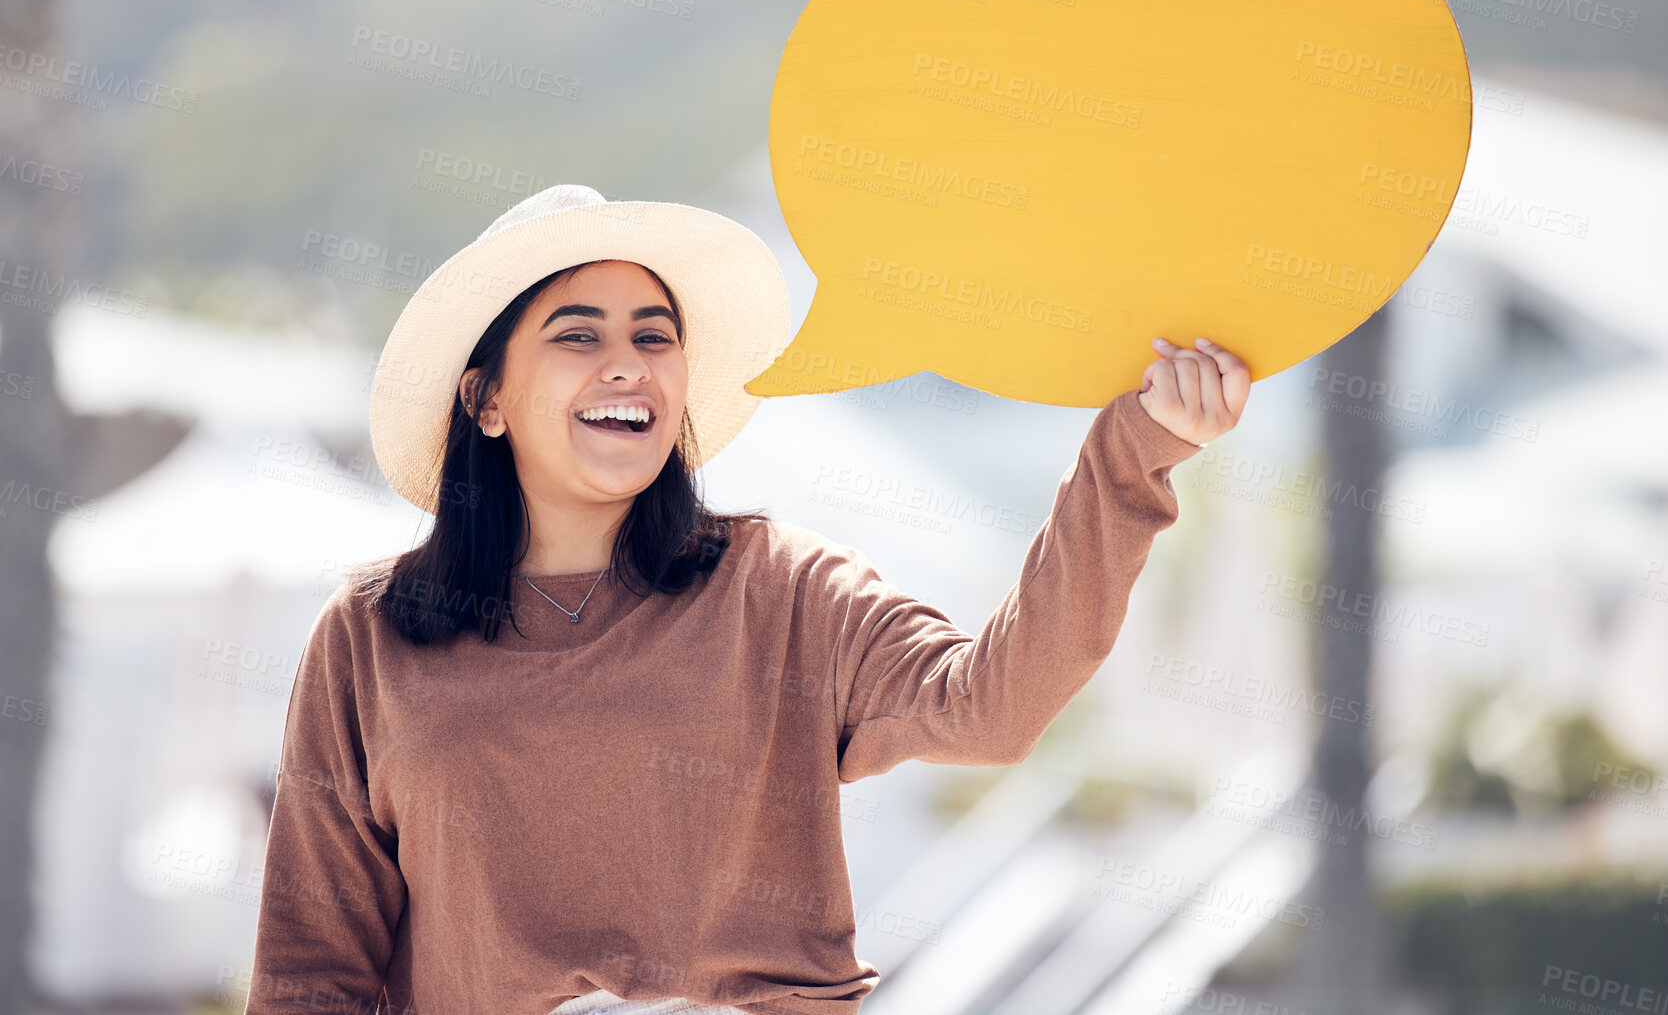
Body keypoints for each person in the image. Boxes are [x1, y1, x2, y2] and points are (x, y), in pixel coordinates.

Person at [241, 184, 1248, 1015]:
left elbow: (991, 707)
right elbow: (310, 969)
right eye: (577, 335)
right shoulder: (370, 637)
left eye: (655, 333)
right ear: (486, 398)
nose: (628, 362)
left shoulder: (783, 589)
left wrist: (1135, 452)